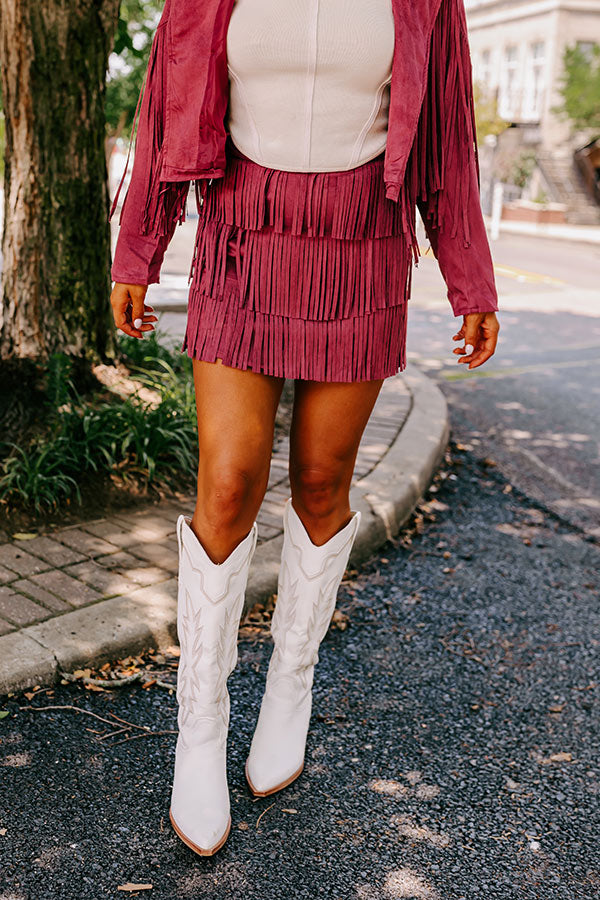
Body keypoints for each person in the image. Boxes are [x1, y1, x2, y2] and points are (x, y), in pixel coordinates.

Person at [109, 0, 500, 857]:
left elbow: (445, 135)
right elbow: (165, 100)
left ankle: (291, 682)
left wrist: (471, 278)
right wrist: (139, 246)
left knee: (323, 481)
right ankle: (201, 728)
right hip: (242, 240)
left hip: (362, 247)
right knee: (229, 482)